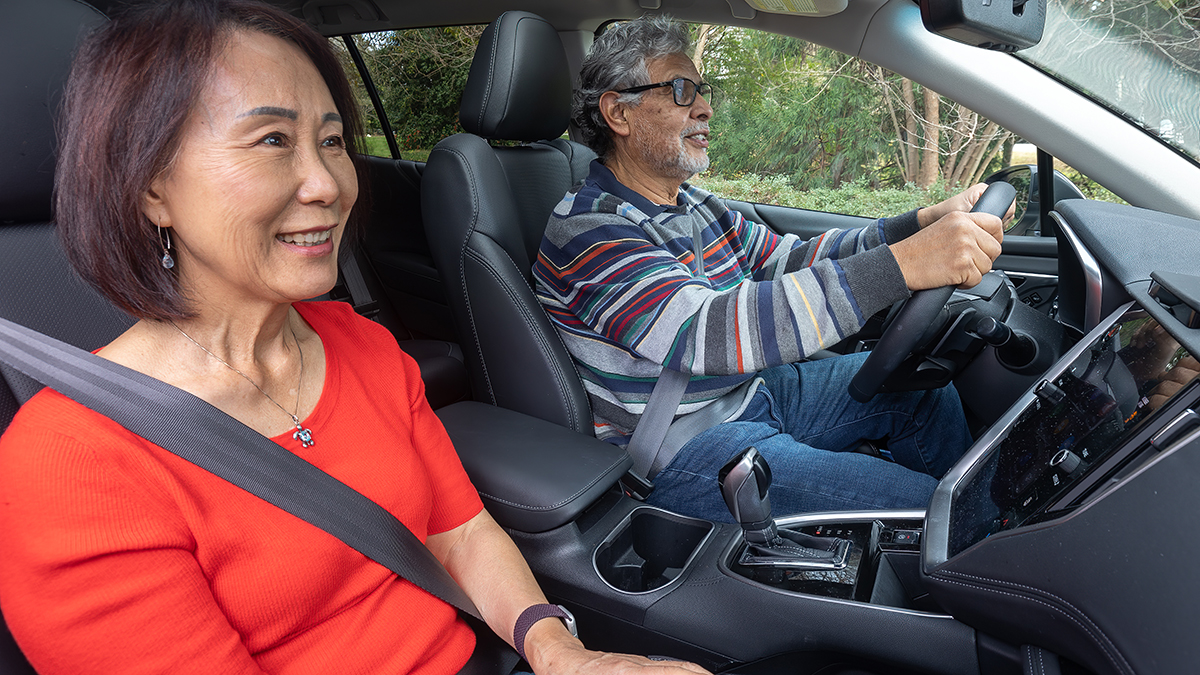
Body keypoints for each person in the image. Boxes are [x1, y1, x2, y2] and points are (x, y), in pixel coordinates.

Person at [0, 2, 712, 674]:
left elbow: (460, 530)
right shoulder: (69, 463)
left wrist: (558, 650)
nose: (329, 183)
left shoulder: (360, 344)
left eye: (333, 141)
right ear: (151, 184)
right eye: (272, 139)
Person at [533, 16, 1010, 521]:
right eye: (680, 90)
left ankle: (967, 536)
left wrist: (917, 226)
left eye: (701, 89)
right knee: (941, 513)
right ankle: (974, 552)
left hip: (754, 392)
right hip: (685, 444)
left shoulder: (692, 205)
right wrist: (904, 266)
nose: (705, 107)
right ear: (618, 113)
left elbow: (787, 261)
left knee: (924, 394)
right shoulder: (588, 228)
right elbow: (705, 332)